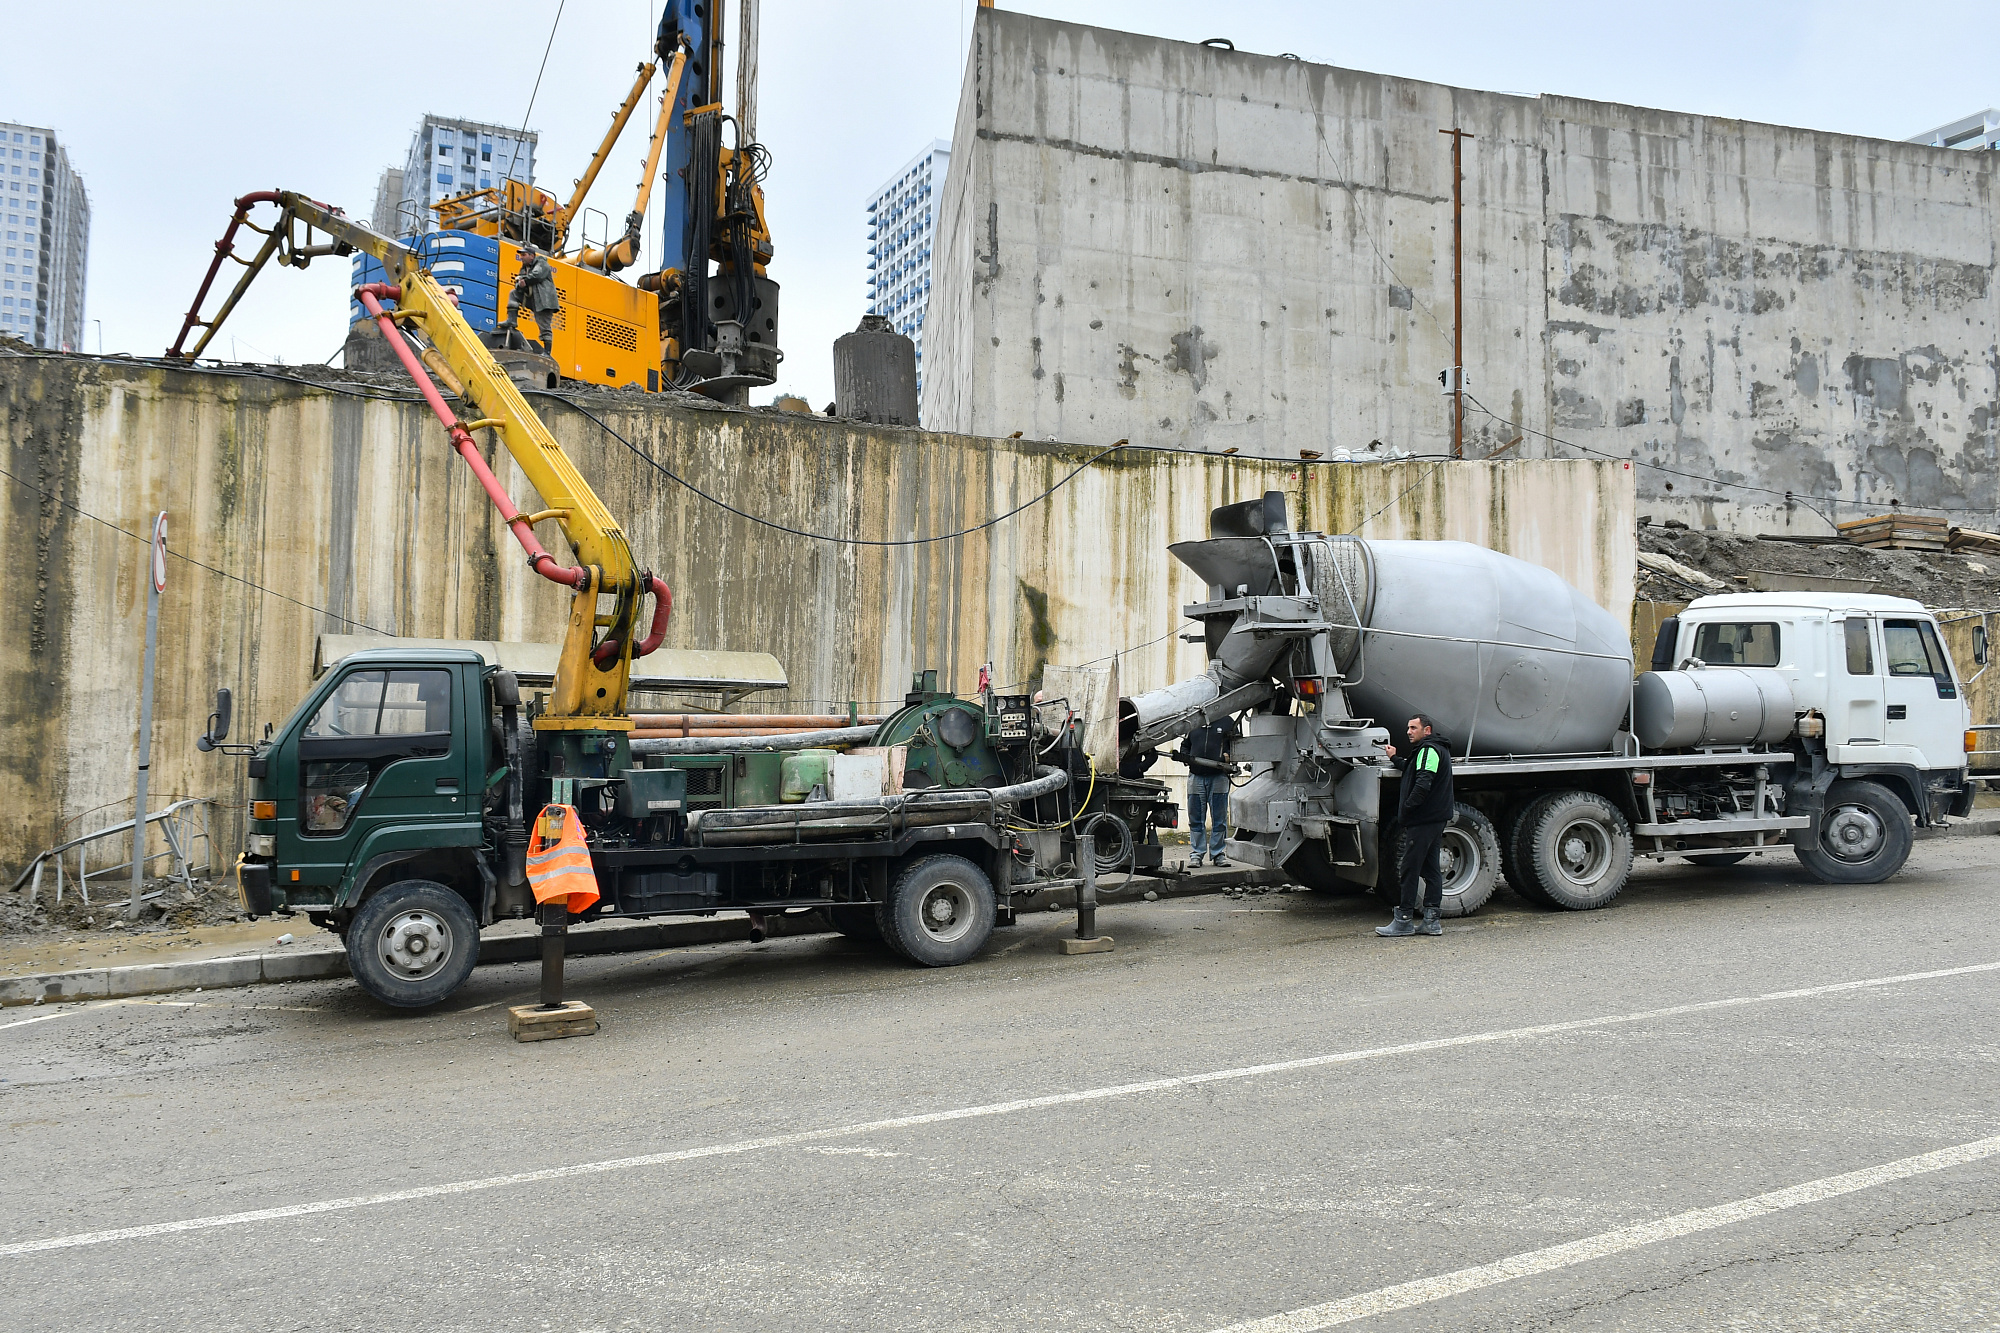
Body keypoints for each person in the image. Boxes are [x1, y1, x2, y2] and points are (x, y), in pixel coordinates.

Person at [1376, 714, 1455, 938]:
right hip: (1433, 819)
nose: (1409, 732)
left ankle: (1404, 920)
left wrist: (1407, 809)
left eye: (1413, 728)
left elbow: (1423, 782)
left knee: (1409, 868)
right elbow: (1413, 769)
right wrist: (1394, 758)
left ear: (1426, 730)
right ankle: (1431, 921)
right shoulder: (1430, 750)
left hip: (1424, 820)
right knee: (1430, 870)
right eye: (1408, 728)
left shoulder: (1429, 750)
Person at [1175, 716, 1239, 867]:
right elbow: (1185, 745)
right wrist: (1186, 756)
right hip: (1196, 777)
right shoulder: (1194, 722)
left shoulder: (1227, 722)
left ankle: (1218, 854)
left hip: (1219, 777)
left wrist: (1229, 756)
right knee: (1196, 818)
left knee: (1219, 818)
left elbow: (1238, 745)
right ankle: (1197, 854)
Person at [505, 247, 561, 355]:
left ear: (532, 256)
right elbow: (519, 284)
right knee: (513, 294)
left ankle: (547, 352)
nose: (521, 258)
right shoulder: (524, 269)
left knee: (544, 326)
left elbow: (537, 275)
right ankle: (511, 320)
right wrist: (520, 285)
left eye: (524, 255)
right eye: (521, 255)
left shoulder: (541, 263)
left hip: (544, 301)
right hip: (533, 299)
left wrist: (524, 281)